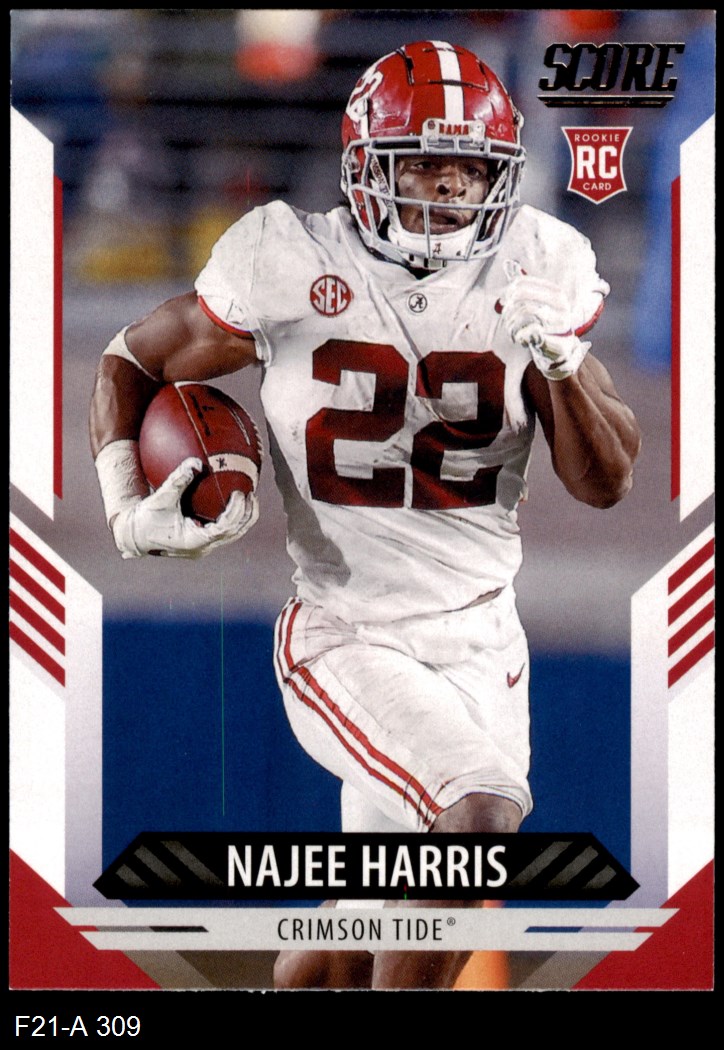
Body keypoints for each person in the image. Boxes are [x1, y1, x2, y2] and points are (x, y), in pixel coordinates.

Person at [90, 40, 641, 989]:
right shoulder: (290, 260)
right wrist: (124, 504)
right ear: (364, 165)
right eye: (422, 160)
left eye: (470, 165)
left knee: (364, 927)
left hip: (485, 642)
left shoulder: (538, 264)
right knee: (477, 820)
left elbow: (606, 481)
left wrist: (562, 365)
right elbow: (133, 358)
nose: (449, 184)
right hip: (347, 630)